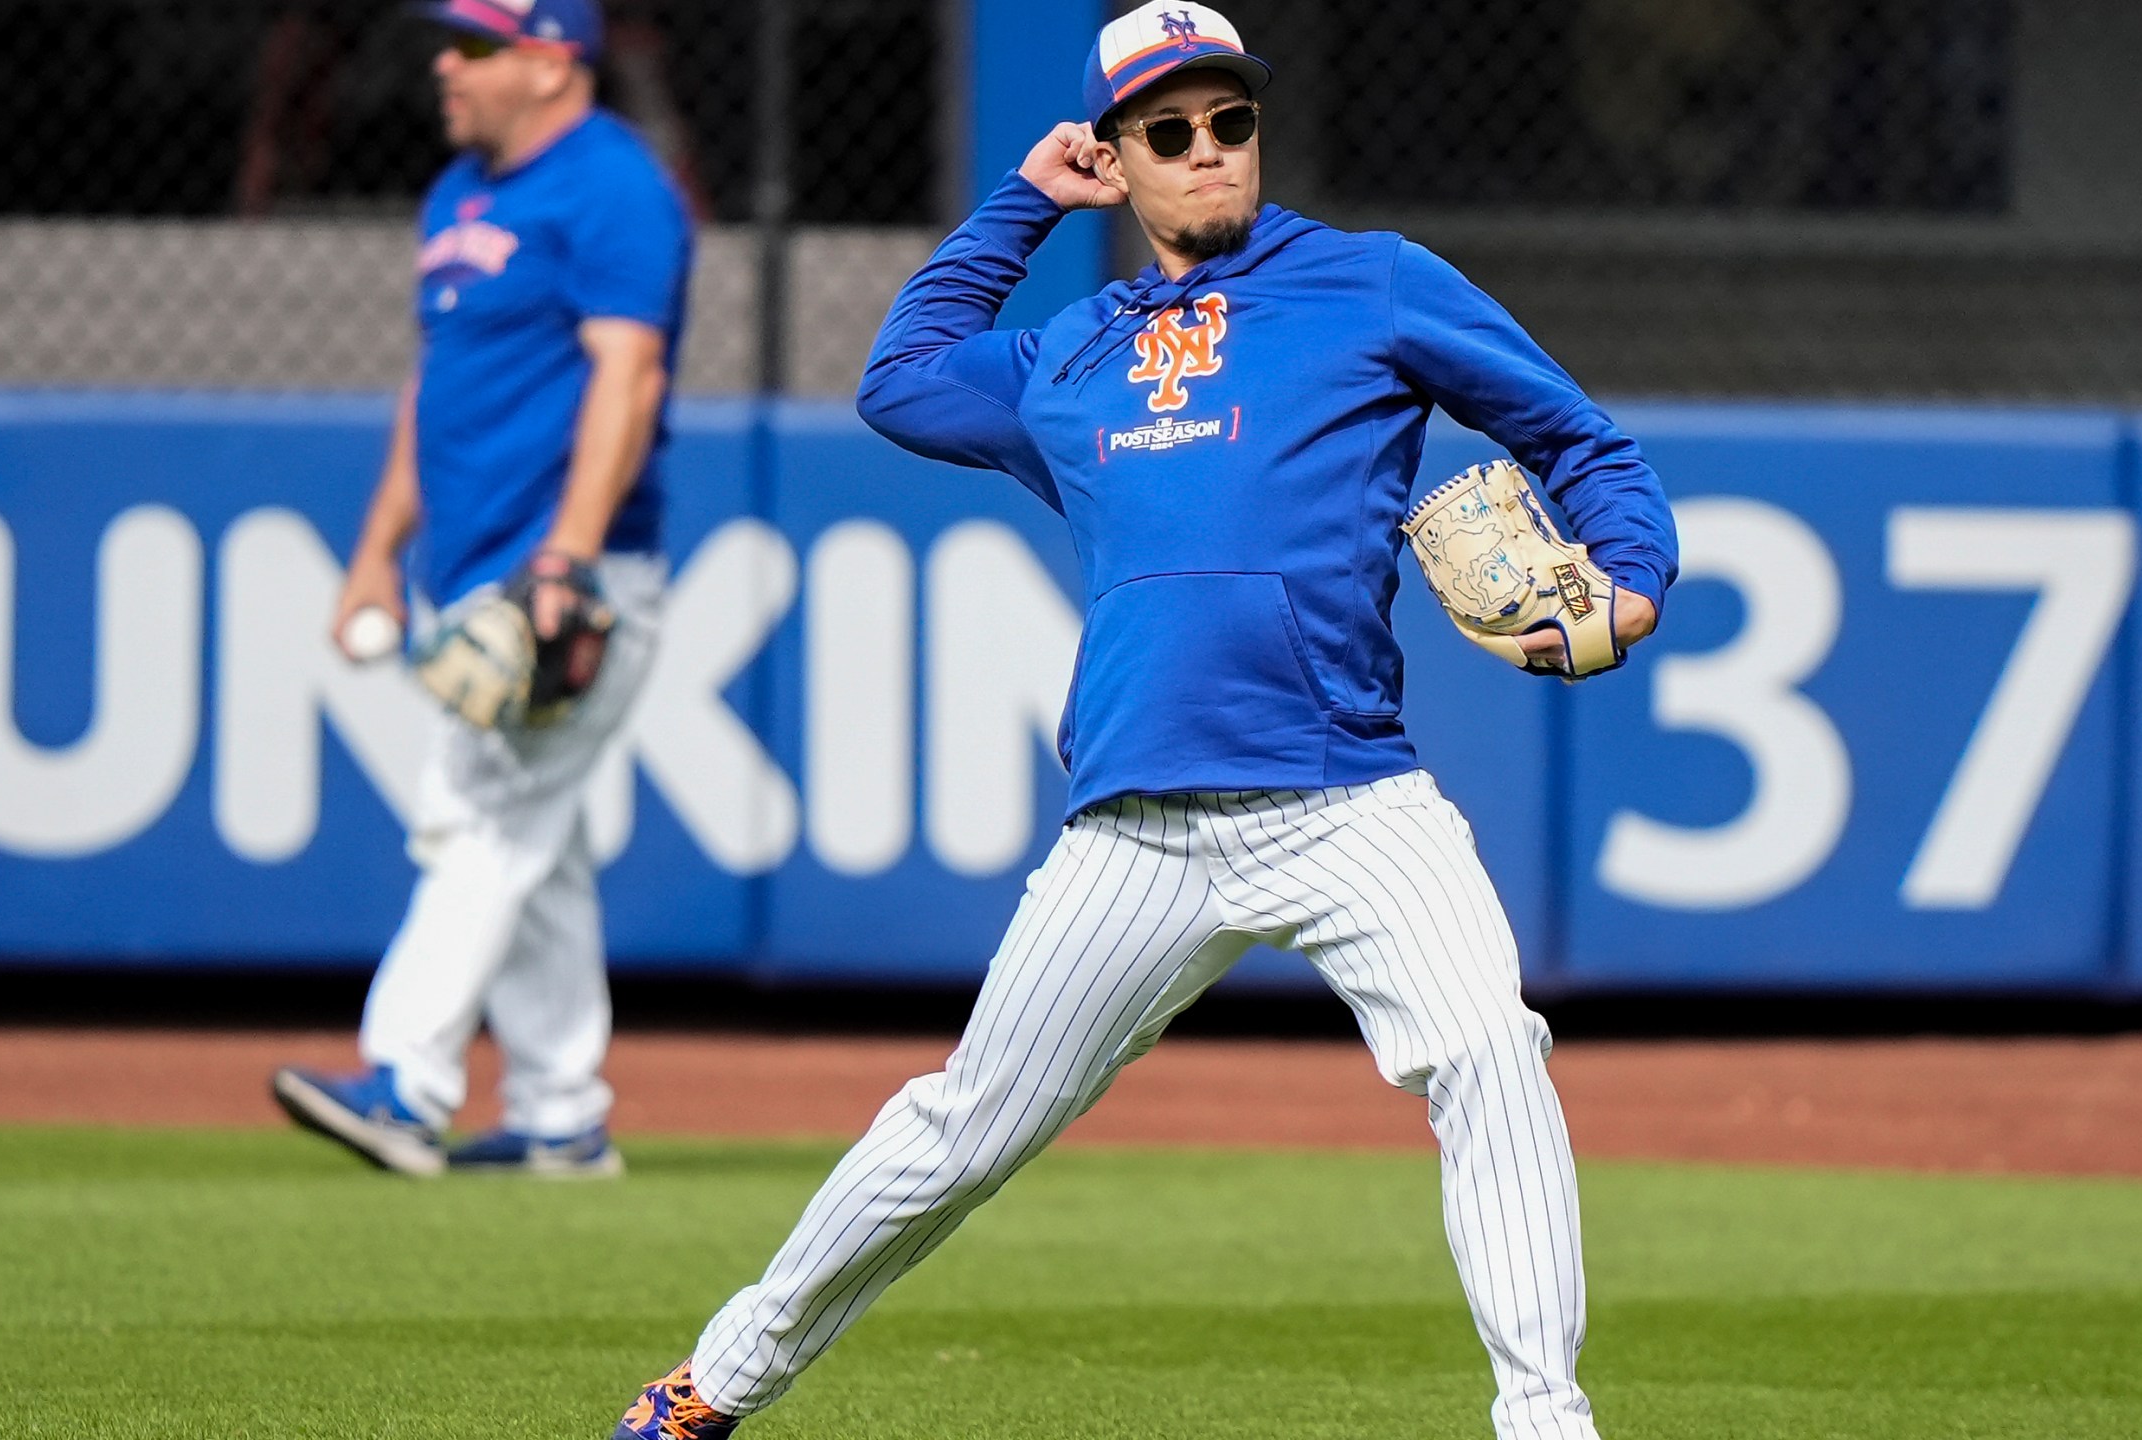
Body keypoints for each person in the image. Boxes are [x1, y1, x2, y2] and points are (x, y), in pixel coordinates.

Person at [614, 3, 1674, 1435]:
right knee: (963, 1130)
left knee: (1490, 1051)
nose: (1206, 151)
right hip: (1138, 825)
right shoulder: (1071, 356)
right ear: (1117, 155)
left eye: (1229, 121)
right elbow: (901, 381)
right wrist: (1020, 205)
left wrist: (1635, 573)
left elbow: (1574, 437)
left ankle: (1545, 1419)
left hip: (1347, 798)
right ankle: (714, 1382)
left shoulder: (1373, 285)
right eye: (1166, 132)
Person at [270, 0, 692, 1180]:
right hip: (468, 566)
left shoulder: (613, 186)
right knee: (532, 845)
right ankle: (563, 1115)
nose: (443, 65)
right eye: (446, 43)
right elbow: (437, 383)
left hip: (568, 573)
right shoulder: (460, 190)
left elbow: (632, 376)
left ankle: (406, 1081)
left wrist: (565, 557)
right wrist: (373, 551)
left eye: (475, 46)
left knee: (483, 811)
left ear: (553, 61)